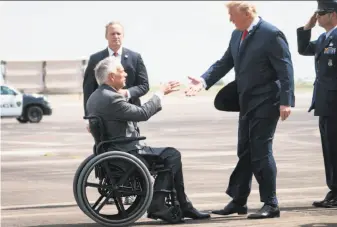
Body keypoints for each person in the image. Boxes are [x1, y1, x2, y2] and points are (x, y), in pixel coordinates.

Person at [185, 1, 295, 219]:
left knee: (261, 152)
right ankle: (239, 201)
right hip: (246, 102)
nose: (229, 19)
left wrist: (286, 101)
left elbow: (285, 67)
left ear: (247, 13)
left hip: (267, 101)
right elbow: (225, 62)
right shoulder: (237, 35)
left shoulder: (271, 34)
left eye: (232, 14)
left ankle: (271, 204)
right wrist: (204, 80)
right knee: (244, 151)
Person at [86, 56, 210, 223]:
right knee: (172, 155)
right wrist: (160, 93)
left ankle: (183, 205)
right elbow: (143, 113)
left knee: (169, 155)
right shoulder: (111, 98)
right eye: (121, 71)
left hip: (112, 150)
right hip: (126, 153)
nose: (126, 74)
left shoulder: (95, 97)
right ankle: (159, 204)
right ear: (111, 77)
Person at [83, 21, 149, 204]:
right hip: (105, 116)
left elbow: (144, 85)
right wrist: (88, 117)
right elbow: (88, 89)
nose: (116, 36)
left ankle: (130, 190)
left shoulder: (134, 57)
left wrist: (127, 93)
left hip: (129, 112)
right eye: (112, 34)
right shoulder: (96, 58)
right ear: (106, 36)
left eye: (119, 33)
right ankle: (115, 187)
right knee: (109, 150)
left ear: (123, 35)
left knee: (130, 149)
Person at [297, 0, 337, 209]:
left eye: (321, 13)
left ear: (333, 14)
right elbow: (303, 48)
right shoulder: (324, 38)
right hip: (325, 102)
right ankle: (334, 190)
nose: (317, 16)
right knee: (329, 149)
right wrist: (307, 28)